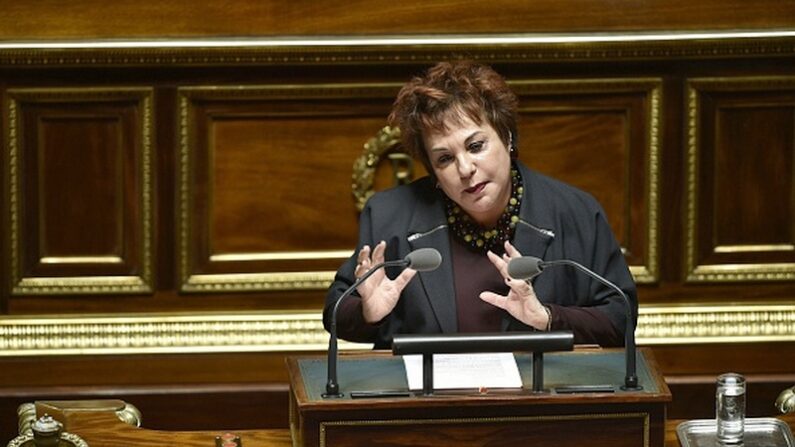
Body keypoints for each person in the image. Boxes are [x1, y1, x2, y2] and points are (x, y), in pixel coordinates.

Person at [324, 60, 637, 349]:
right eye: (445, 158)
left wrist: (548, 318)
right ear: (432, 171)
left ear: (507, 137)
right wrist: (369, 313)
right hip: (430, 405)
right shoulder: (390, 215)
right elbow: (335, 313)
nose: (465, 169)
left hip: (537, 402)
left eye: (475, 146)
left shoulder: (574, 211)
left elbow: (620, 318)